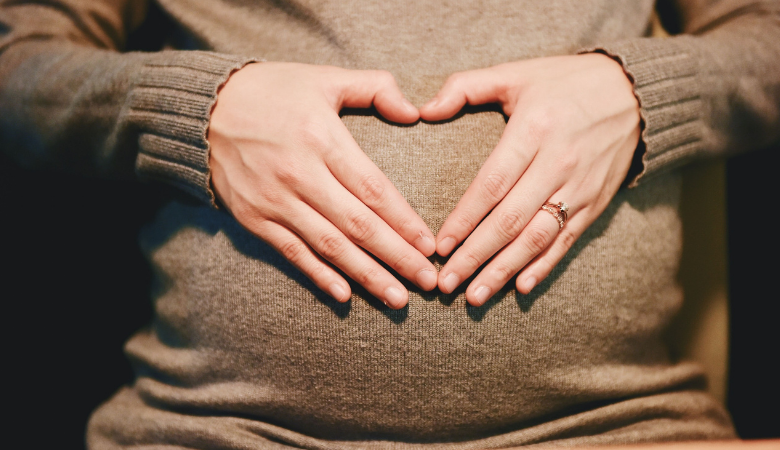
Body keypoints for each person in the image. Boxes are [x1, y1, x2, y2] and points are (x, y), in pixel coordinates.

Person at [1, 0, 778, 447]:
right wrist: (191, 111)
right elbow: (16, 59)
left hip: (618, 430)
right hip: (219, 431)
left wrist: (645, 92)